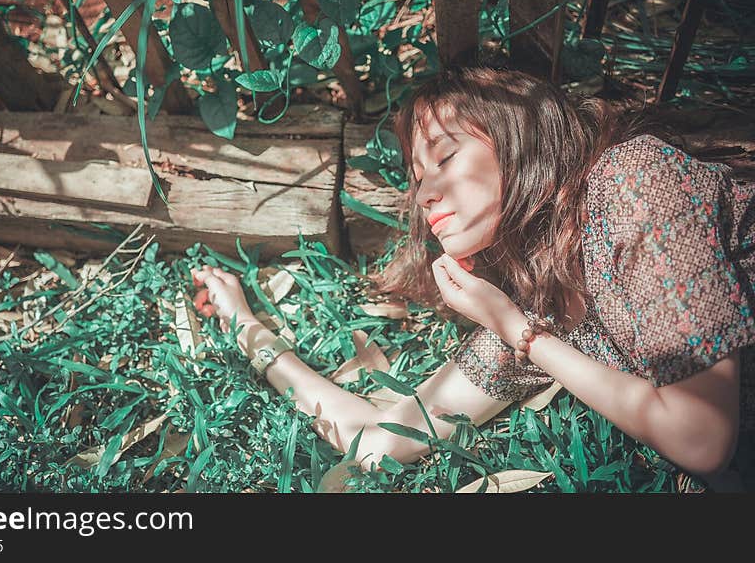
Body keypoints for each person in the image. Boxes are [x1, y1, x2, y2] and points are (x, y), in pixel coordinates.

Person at [190, 67, 755, 491]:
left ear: (518, 139)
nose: (424, 194)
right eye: (416, 177)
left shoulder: (637, 181)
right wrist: (246, 326)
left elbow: (700, 438)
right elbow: (379, 441)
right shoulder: (544, 293)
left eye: (445, 157)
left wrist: (522, 335)